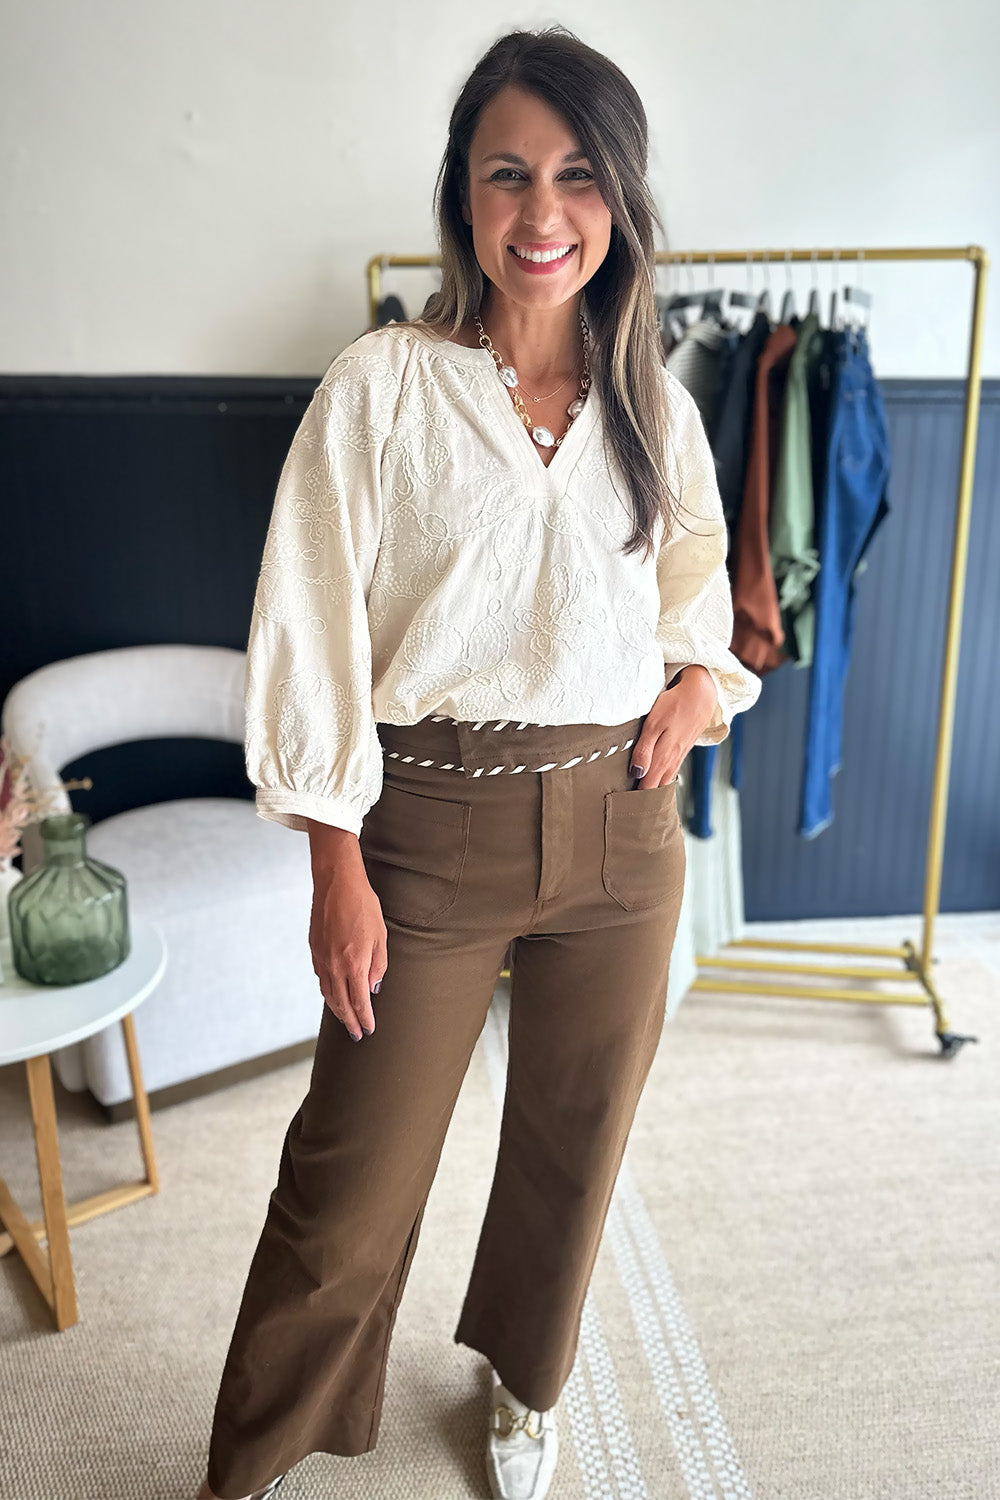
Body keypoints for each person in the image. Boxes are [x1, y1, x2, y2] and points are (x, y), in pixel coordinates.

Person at [196, 24, 761, 1500]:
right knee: (346, 1191)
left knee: (574, 1155)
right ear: (463, 195)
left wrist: (701, 689)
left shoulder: (656, 405)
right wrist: (335, 859)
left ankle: (529, 1389)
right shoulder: (382, 387)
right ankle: (248, 1465)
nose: (541, 212)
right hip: (425, 832)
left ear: (620, 201)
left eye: (577, 176)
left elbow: (702, 603)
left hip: (623, 836)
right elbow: (309, 624)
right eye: (507, 173)